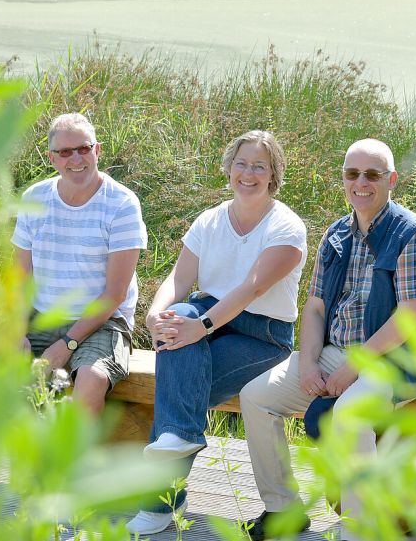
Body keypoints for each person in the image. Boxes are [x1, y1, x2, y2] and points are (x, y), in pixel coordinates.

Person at [239, 138, 416, 541]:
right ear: (344, 179)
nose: (361, 183)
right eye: (352, 174)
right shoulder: (336, 234)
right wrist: (311, 362)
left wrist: (353, 368)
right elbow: (315, 307)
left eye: (372, 175)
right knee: (256, 397)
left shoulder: (415, 235)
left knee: (349, 415)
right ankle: (283, 508)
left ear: (392, 181)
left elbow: (409, 318)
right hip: (335, 354)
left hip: (395, 361)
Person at [124, 130, 308, 535]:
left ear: (274, 174)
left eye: (260, 166)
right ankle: (178, 441)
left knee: (181, 389)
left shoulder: (287, 227)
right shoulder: (210, 220)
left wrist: (200, 327)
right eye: (241, 163)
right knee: (176, 324)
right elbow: (179, 276)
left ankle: (159, 502)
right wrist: (157, 315)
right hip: (206, 317)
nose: (249, 173)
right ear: (229, 168)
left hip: (263, 335)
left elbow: (252, 288)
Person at [12, 112, 148, 414]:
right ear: (52, 158)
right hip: (42, 314)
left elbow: (114, 295)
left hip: (103, 322)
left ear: (97, 150)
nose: (76, 158)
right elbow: (20, 278)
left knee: (92, 379)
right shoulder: (34, 198)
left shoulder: (122, 204)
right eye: (65, 151)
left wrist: (66, 346)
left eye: (83, 149)